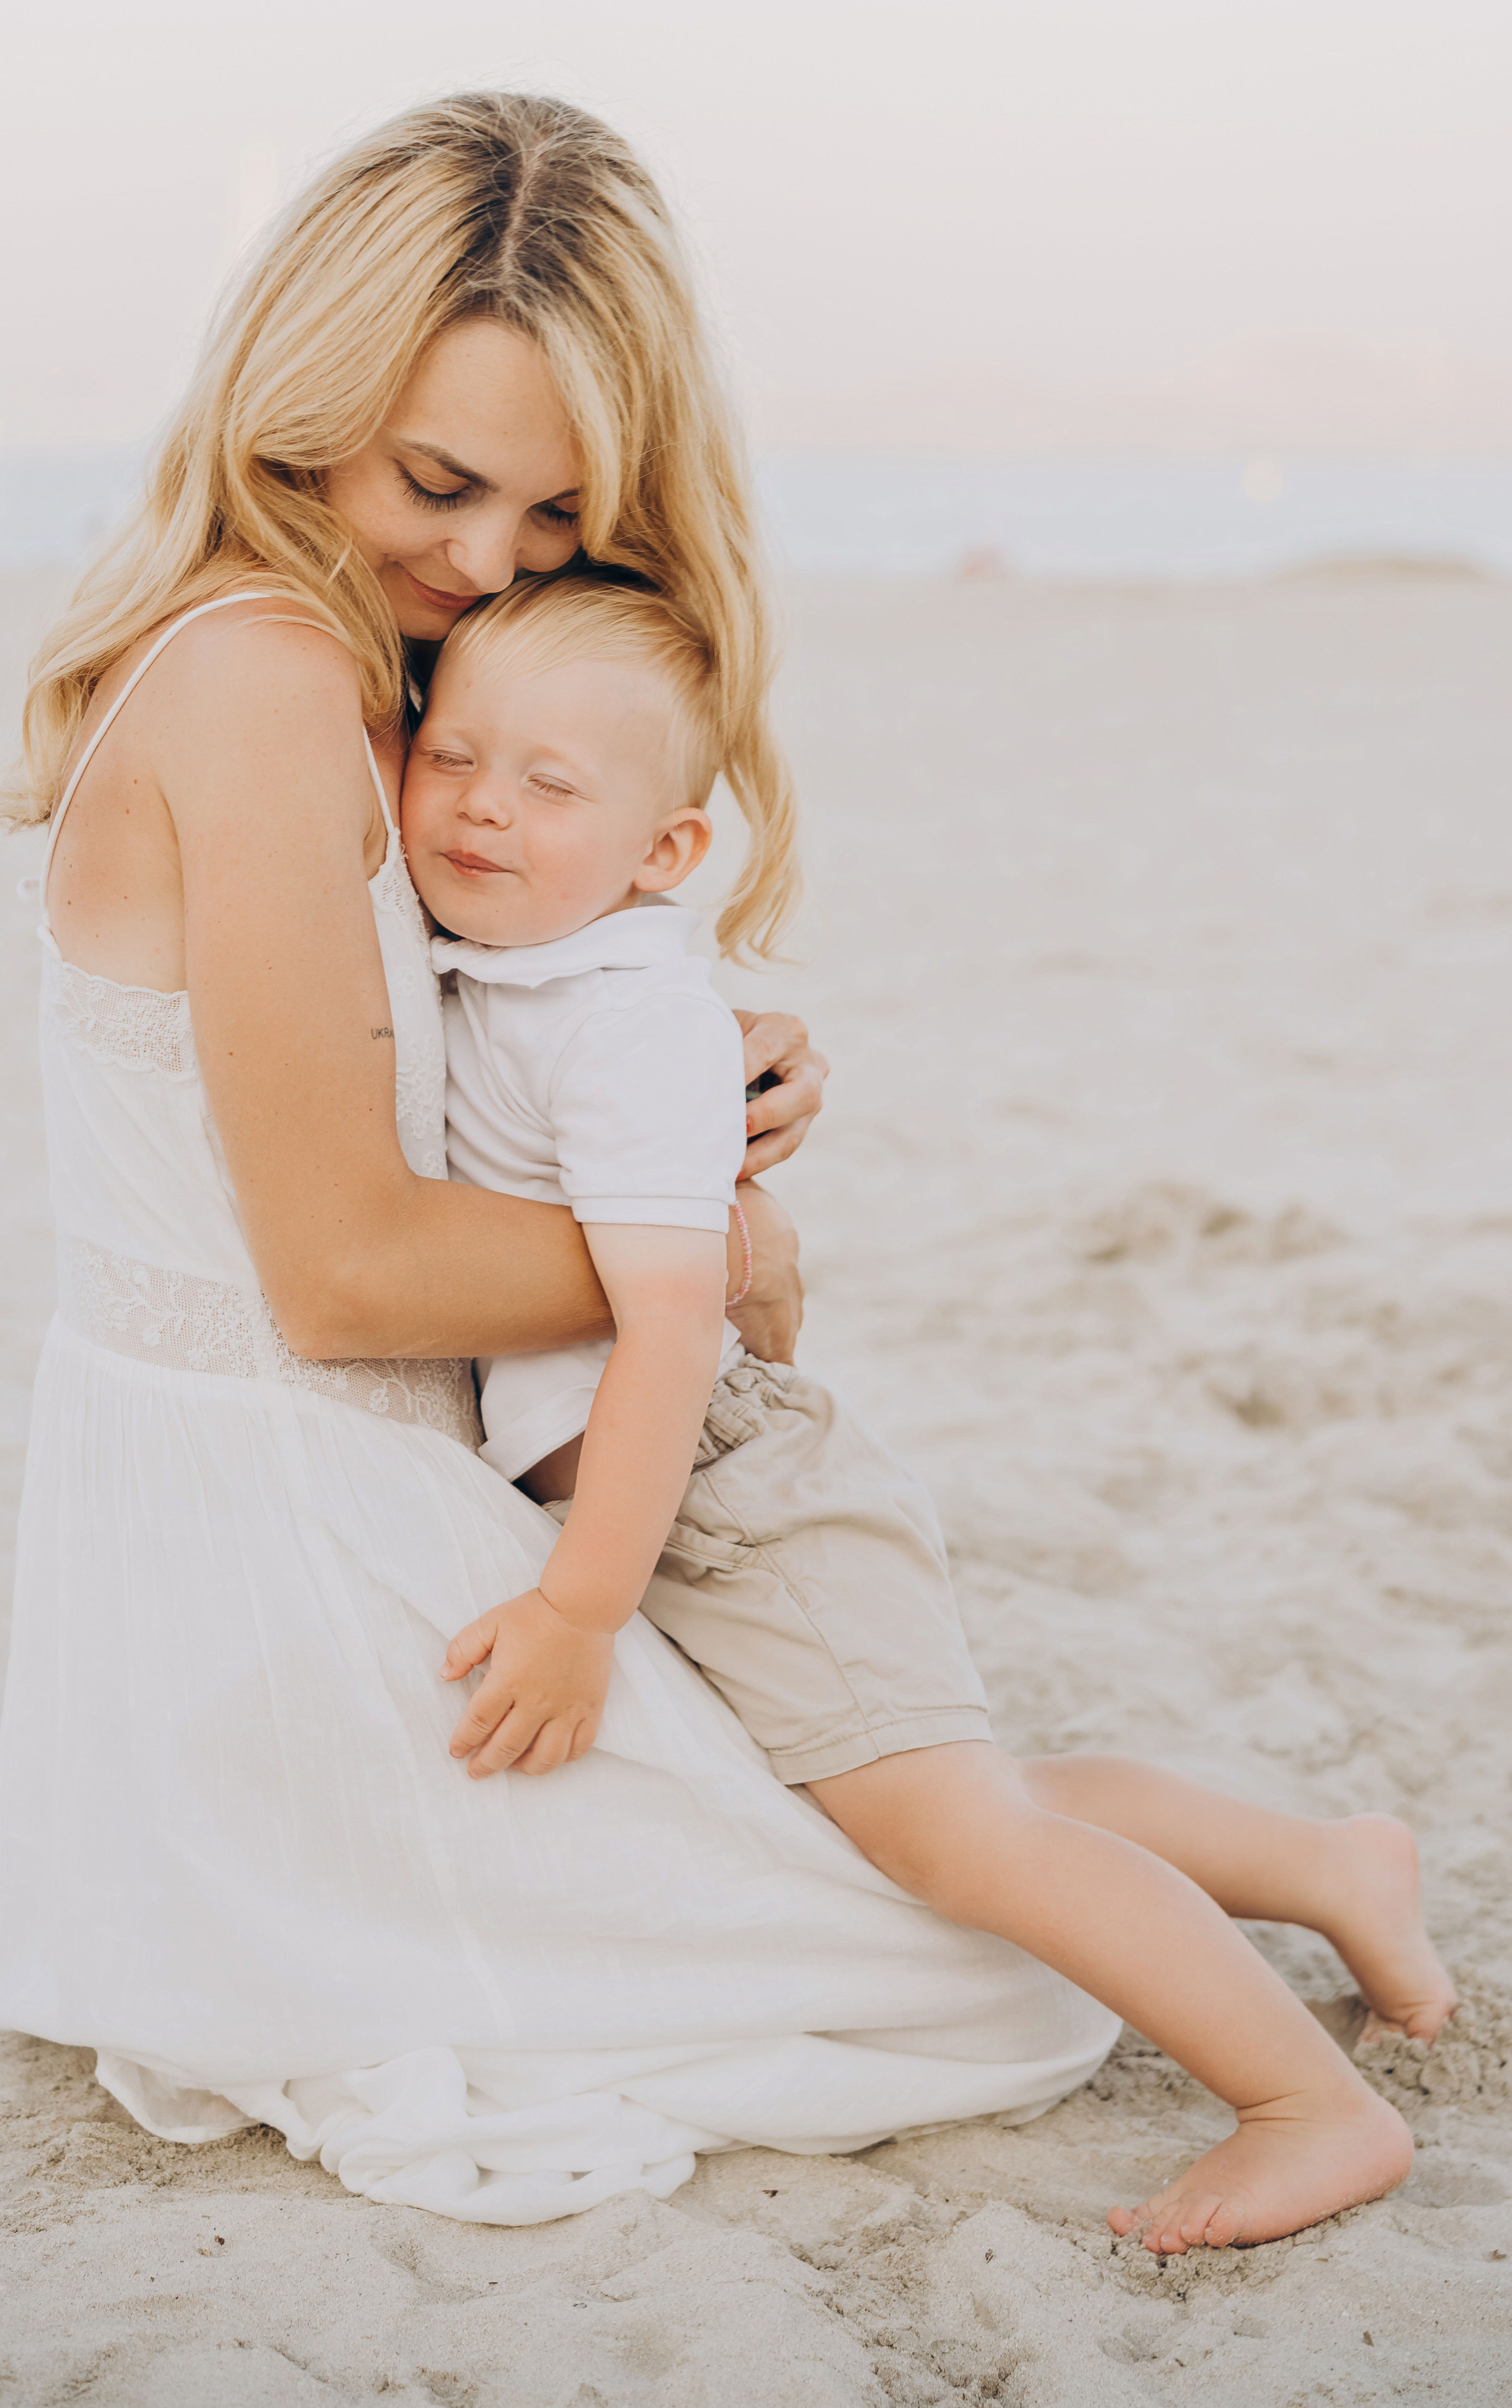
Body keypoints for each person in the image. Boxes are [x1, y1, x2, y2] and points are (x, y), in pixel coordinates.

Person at [0, 92, 1126, 2229]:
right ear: (298, 405)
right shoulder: (264, 681)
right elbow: (337, 1271)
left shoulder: (390, 667)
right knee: (937, 1971)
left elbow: (431, 1053)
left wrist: (684, 1066)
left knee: (849, 1828)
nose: (494, 559)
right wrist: (705, 1242)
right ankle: (1287, 1860)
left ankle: (1304, 1860)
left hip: (372, 1477)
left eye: (558, 510)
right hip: (276, 1528)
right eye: (440, 483)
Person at [400, 569, 1455, 2255]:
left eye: (549, 784)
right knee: (971, 1795)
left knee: (957, 1841)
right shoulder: (511, 968)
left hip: (732, 1501)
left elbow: (671, 1320)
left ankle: (1307, 2104)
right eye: (452, 755)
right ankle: (1329, 1865)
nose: (480, 806)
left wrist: (582, 1607)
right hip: (683, 1491)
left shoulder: (620, 1018)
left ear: (666, 851)